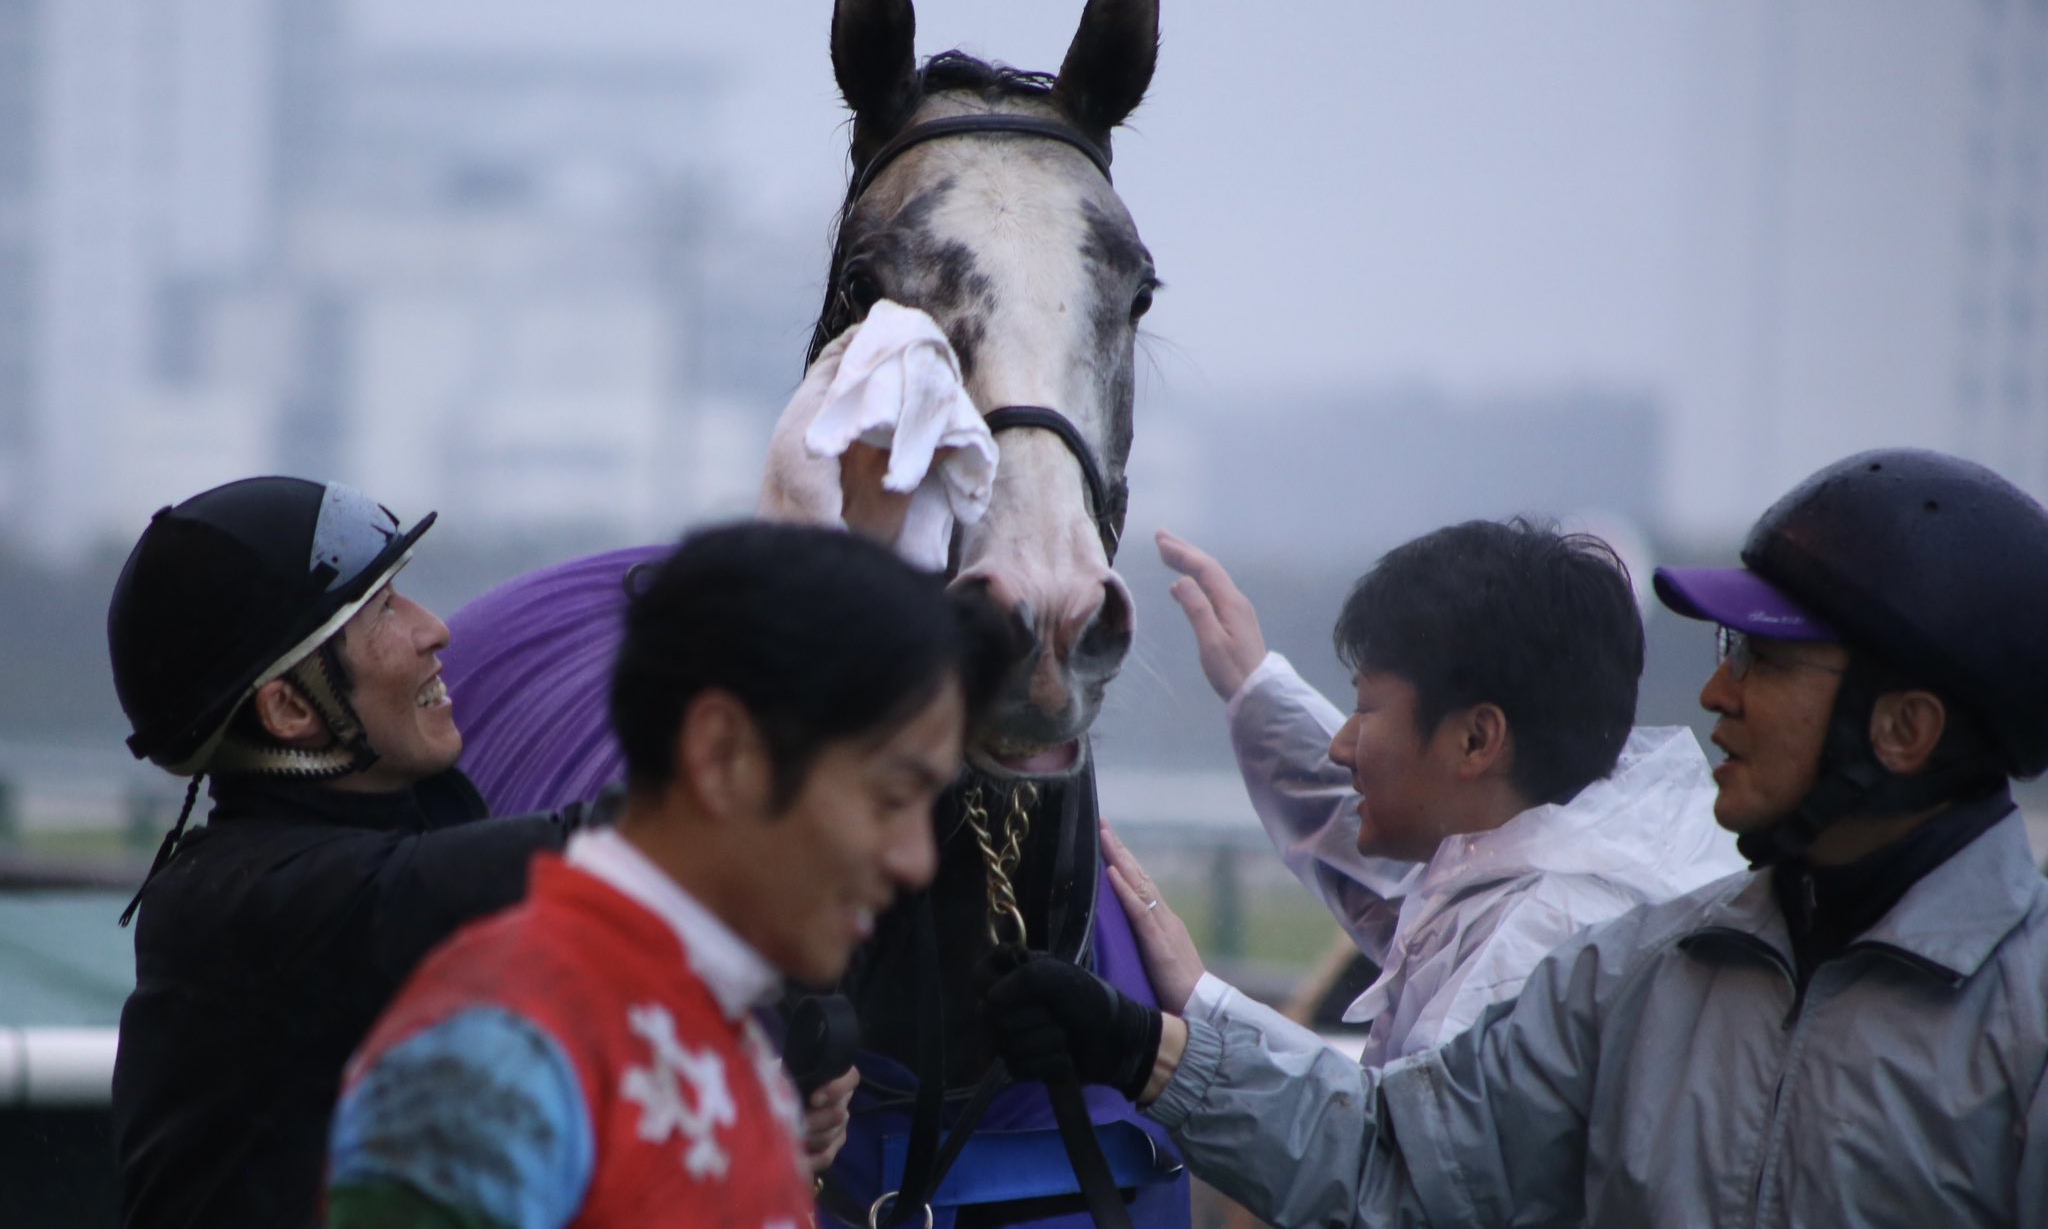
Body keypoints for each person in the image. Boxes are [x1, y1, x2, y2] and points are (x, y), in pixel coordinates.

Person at [985, 448, 2048, 1226]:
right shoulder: (1636, 971)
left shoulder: (2024, 1027)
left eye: (1763, 663)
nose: (1716, 693)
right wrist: (1146, 1050)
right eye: (1726, 652)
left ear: (1903, 729)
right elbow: (1395, 1166)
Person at [103, 477, 855, 1227]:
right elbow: (632, 848)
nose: (435, 630)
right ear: (292, 709)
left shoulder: (388, 841)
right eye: (384, 611)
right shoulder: (256, 903)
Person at [326, 522, 1012, 1227]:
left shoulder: (716, 1036)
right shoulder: (496, 1050)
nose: (916, 859)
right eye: (890, 797)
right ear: (721, 754)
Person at [1111, 521, 1739, 1066]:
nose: (1340, 745)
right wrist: (1256, 691)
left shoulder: (1530, 958)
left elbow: (1390, 1163)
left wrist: (1198, 1013)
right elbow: (1395, 876)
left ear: (1475, 739)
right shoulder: (1580, 861)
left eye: (1365, 709)